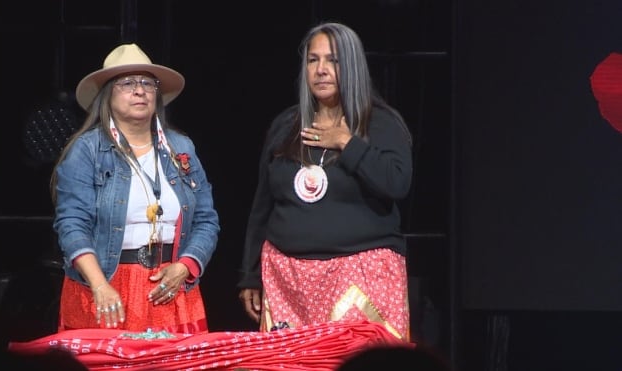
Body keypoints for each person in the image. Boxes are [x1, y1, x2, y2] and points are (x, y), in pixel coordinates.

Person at [237, 22, 413, 341]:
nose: (321, 70)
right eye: (313, 60)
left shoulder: (380, 122)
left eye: (333, 60)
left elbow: (396, 183)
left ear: (353, 66)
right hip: (288, 281)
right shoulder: (285, 125)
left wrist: (348, 143)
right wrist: (250, 273)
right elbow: (262, 206)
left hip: (360, 278)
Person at [50, 43, 220, 334]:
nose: (139, 90)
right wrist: (100, 285)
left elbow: (207, 219)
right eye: (127, 83)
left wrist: (185, 267)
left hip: (170, 288)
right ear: (107, 95)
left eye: (147, 83)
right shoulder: (88, 150)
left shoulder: (181, 148)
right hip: (106, 287)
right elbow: (71, 224)